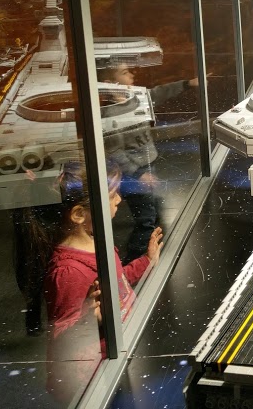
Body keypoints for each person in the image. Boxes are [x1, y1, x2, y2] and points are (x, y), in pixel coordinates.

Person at [39, 160, 164, 404]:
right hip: (95, 378)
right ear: (78, 214)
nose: (119, 200)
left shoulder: (97, 240)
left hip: (117, 355)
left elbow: (117, 281)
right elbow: (60, 337)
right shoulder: (68, 272)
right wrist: (88, 318)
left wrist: (146, 261)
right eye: (112, 195)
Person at [98, 64, 196, 262]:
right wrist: (138, 174)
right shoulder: (110, 115)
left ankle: (151, 247)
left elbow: (159, 92)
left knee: (153, 207)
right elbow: (114, 151)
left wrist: (187, 84)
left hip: (148, 165)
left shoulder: (138, 97)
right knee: (145, 218)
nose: (132, 74)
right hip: (133, 173)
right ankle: (135, 261)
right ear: (110, 83)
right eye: (124, 72)